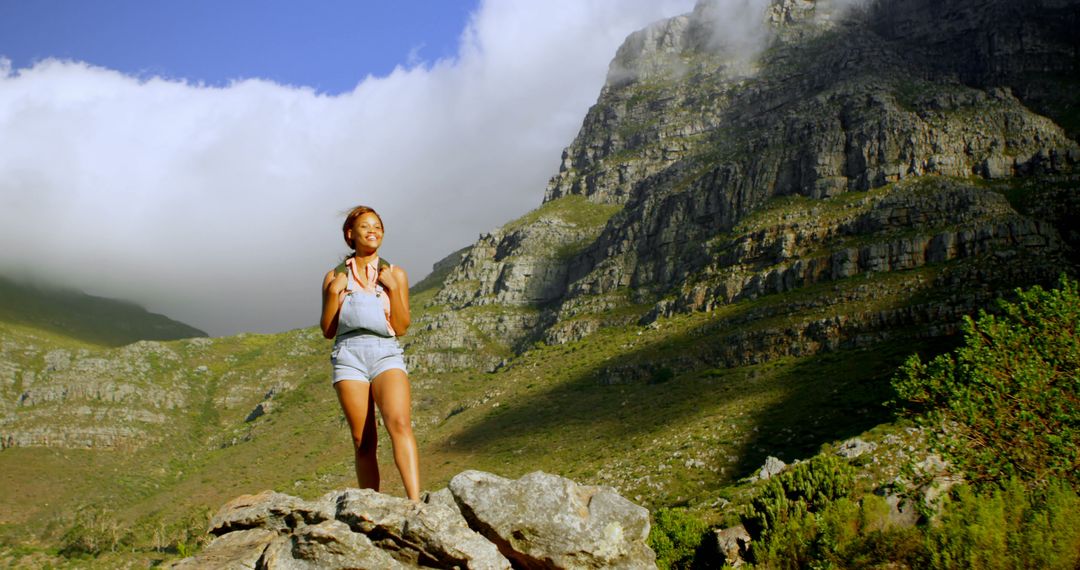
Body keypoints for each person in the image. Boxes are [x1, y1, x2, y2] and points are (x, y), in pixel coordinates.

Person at [320, 205, 419, 501]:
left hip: (385, 351)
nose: (373, 230)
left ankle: (415, 503)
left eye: (377, 226)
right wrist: (332, 295)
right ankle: (372, 507)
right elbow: (327, 329)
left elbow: (401, 326)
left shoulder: (395, 274)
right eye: (365, 226)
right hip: (348, 355)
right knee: (363, 440)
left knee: (399, 422)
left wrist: (393, 290)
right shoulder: (334, 277)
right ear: (351, 234)